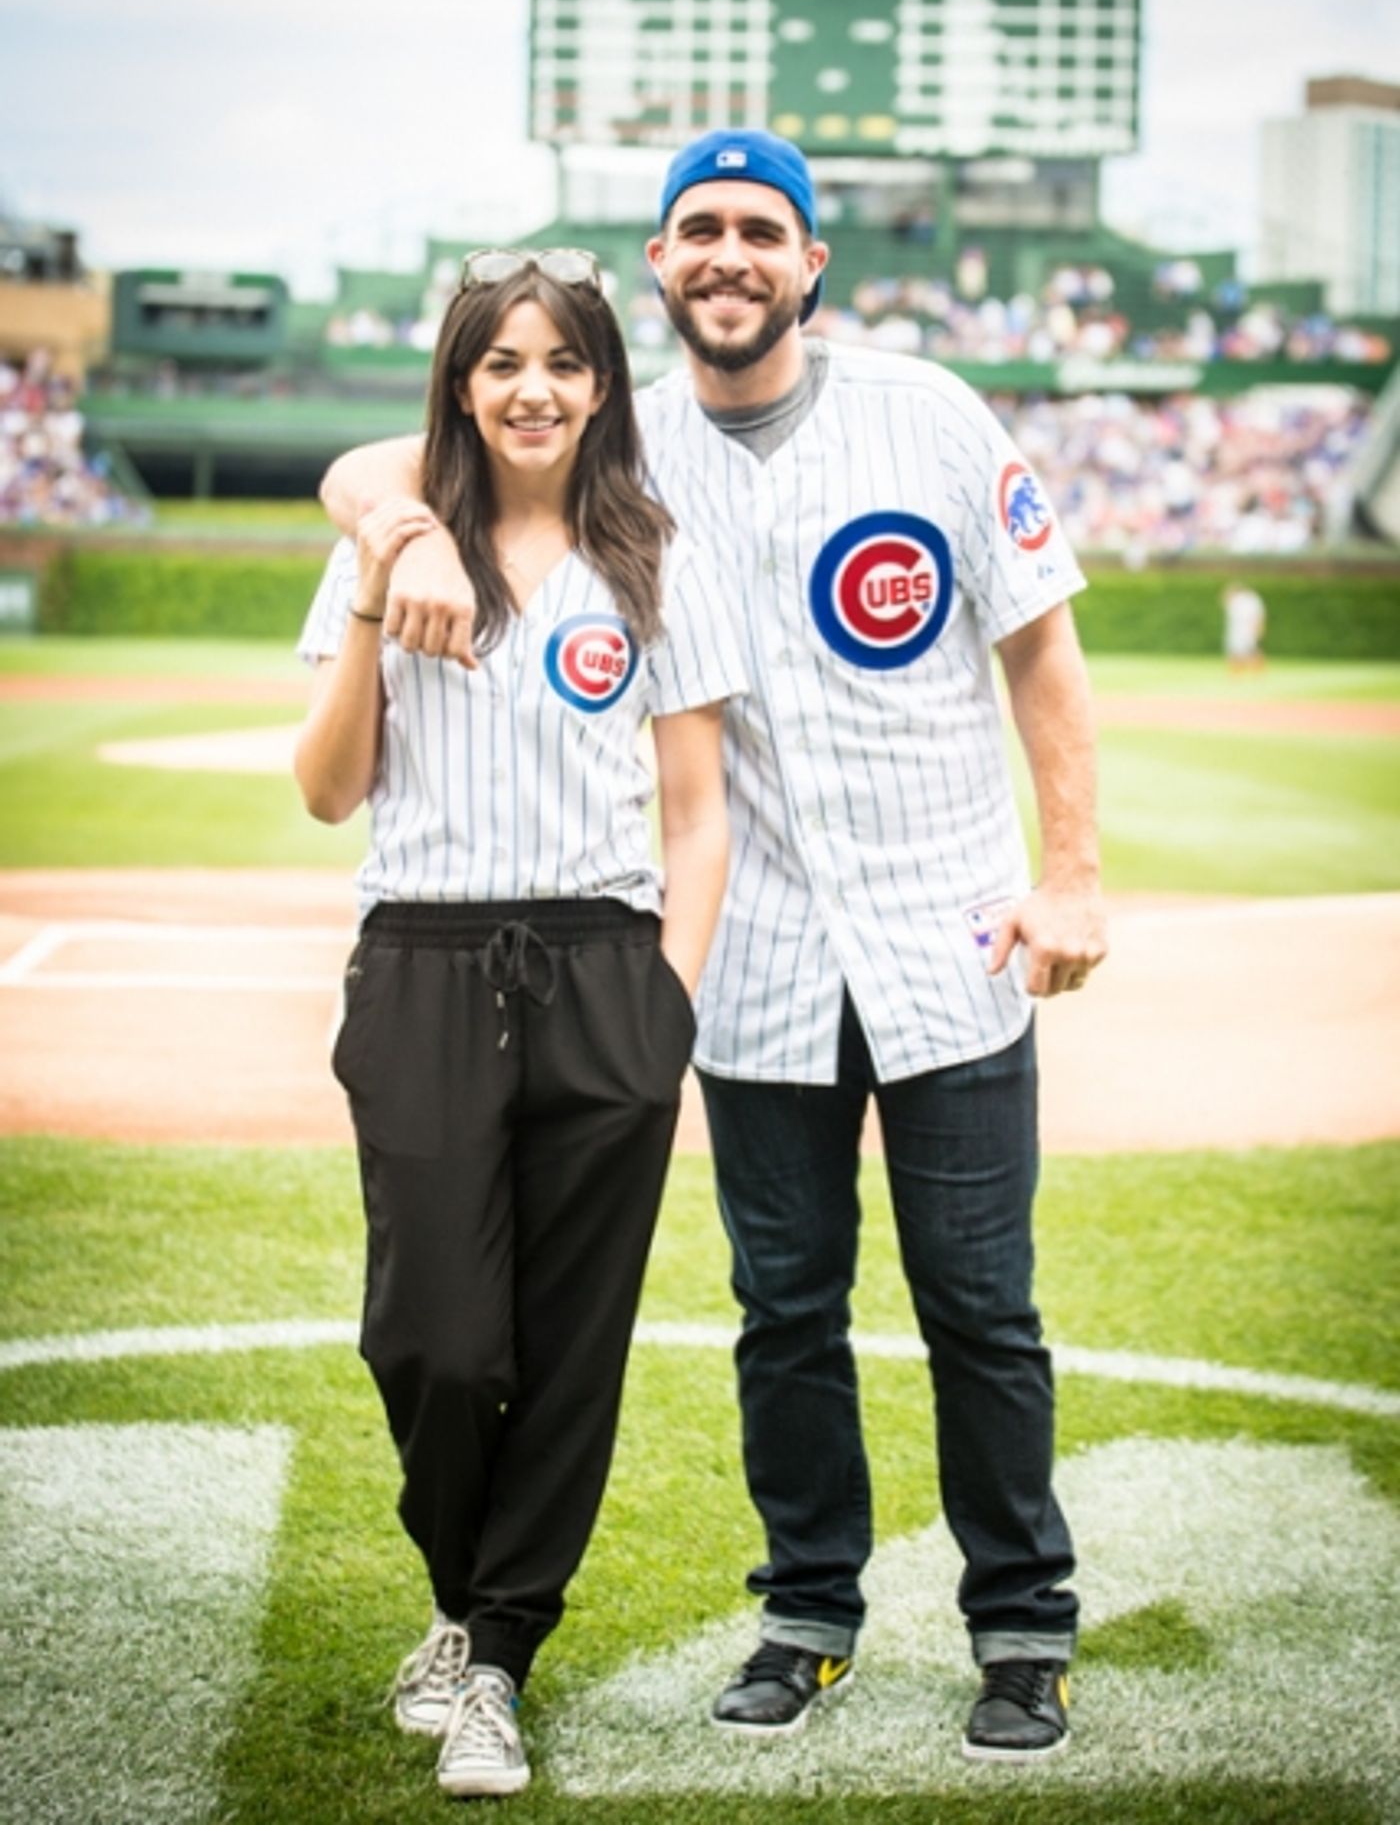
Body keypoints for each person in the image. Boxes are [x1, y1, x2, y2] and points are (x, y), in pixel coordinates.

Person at [320, 132, 1108, 1765]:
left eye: (762, 227)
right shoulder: (623, 443)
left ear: (812, 260)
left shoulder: (931, 414)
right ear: (661, 264)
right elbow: (382, 460)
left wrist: (1074, 872)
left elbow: (1040, 643)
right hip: (758, 964)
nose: (729, 253)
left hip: (948, 933)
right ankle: (808, 1612)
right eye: (699, 228)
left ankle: (1022, 1626)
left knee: (982, 1303)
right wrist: (406, 531)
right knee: (785, 1307)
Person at [296, 246, 744, 1801]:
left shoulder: (657, 557)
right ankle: (461, 1592)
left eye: (562, 361)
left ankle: (493, 1656)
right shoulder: (388, 539)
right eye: (502, 362)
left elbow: (699, 812)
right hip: (421, 959)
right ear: (462, 381)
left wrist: (667, 1004)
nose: (533, 388)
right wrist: (380, 576)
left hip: (605, 970)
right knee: (429, 1336)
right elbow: (328, 789)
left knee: (568, 1349)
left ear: (603, 384)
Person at [1222, 579, 1267, 672]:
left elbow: (1258, 616)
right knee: (1235, 652)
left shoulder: (1252, 599)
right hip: (1236, 631)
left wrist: (1258, 629)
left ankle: (1257, 671)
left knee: (1251, 651)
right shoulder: (1235, 600)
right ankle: (1236, 671)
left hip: (1248, 631)